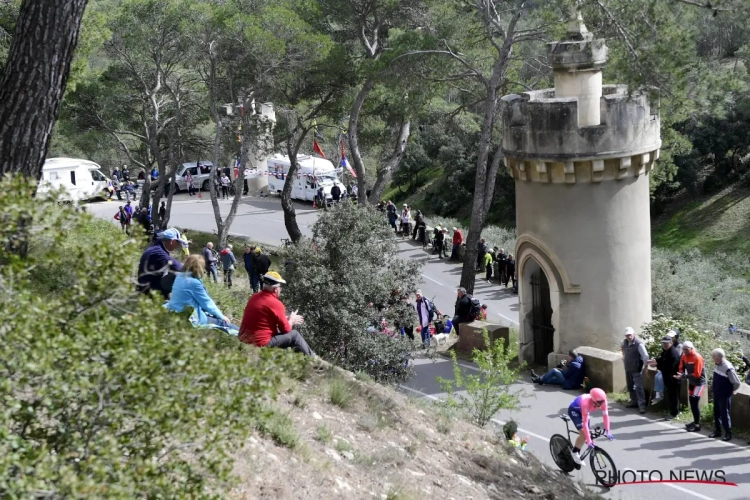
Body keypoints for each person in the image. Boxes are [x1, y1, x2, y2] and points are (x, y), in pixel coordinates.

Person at [238, 271, 314, 356]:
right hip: (260, 344)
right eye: (281, 287)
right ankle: (316, 361)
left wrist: (286, 319)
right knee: (294, 335)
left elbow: (264, 320)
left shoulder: (254, 297)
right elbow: (286, 330)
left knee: (280, 332)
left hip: (244, 341)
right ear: (276, 289)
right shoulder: (276, 303)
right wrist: (292, 320)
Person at [165, 254, 239, 333]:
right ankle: (244, 336)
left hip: (176, 311)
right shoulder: (193, 282)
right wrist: (221, 316)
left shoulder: (180, 277)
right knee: (224, 324)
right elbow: (207, 303)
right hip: (189, 316)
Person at [567, 388, 614, 465]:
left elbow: (605, 416)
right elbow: (585, 423)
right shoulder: (586, 403)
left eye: (602, 402)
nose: (601, 404)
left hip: (585, 412)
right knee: (584, 434)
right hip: (575, 410)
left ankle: (582, 445)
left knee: (588, 434)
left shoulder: (603, 401)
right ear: (593, 400)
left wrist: (608, 431)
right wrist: (588, 440)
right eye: (599, 403)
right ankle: (575, 452)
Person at [136, 228, 187, 298]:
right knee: (178, 275)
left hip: (147, 287)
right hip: (148, 292)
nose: (178, 245)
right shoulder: (158, 252)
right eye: (177, 242)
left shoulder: (156, 248)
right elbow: (177, 267)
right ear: (172, 241)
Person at [709, 348, 741, 441]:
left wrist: (733, 390)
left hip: (724, 395)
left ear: (719, 357)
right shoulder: (717, 364)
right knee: (716, 412)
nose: (712, 358)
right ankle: (718, 430)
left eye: (713, 357)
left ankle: (728, 433)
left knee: (724, 413)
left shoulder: (727, 367)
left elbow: (737, 382)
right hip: (717, 393)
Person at [675, 341, 706, 432]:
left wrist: (683, 376)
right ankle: (695, 421)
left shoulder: (697, 357)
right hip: (691, 382)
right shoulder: (684, 356)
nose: (684, 351)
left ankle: (697, 425)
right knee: (692, 403)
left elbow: (697, 374)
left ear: (691, 348)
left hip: (699, 383)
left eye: (686, 349)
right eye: (683, 349)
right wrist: (680, 373)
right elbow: (681, 366)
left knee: (694, 402)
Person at [648, 334, 681, 420]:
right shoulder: (666, 351)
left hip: (673, 379)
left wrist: (657, 365)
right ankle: (673, 411)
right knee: (671, 396)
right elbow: (662, 359)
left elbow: (669, 368)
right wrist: (655, 360)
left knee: (674, 396)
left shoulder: (673, 353)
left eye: (666, 343)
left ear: (671, 343)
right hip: (668, 378)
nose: (664, 345)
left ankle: (675, 413)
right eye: (663, 343)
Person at [621, 327, 648, 414]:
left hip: (637, 369)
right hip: (628, 368)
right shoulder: (624, 342)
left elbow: (645, 356)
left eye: (630, 335)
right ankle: (634, 402)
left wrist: (646, 368)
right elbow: (622, 347)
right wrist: (624, 356)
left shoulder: (639, 344)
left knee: (639, 387)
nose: (629, 337)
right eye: (627, 335)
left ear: (634, 334)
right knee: (630, 386)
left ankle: (642, 406)